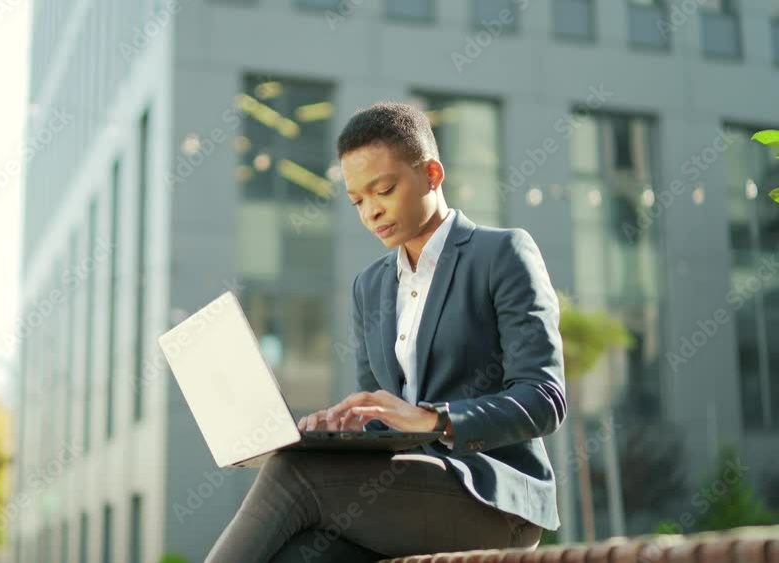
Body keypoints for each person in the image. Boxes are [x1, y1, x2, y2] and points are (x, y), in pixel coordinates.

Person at [206, 101, 567, 563]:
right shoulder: (370, 286)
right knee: (298, 554)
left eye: (384, 190)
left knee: (295, 472)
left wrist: (437, 419)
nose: (371, 212)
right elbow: (379, 414)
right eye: (357, 201)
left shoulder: (502, 254)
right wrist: (338, 431)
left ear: (433, 174)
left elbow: (544, 398)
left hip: (492, 499)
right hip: (401, 492)